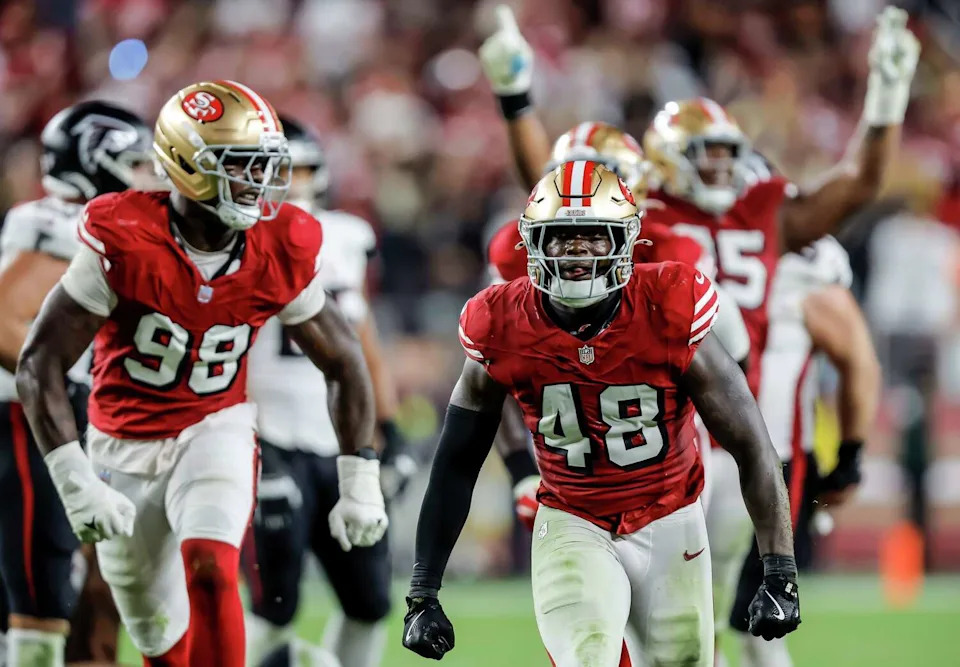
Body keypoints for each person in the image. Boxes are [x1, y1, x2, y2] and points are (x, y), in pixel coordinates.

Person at [478, 2, 918, 649]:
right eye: (700, 154)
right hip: (662, 441)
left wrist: (884, 100)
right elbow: (558, 193)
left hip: (727, 432)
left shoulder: (760, 212)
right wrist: (516, 100)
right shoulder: (642, 212)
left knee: (724, 627)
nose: (716, 168)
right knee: (665, 625)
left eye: (724, 154)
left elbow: (854, 188)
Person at [14, 80, 388, 667]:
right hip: (122, 443)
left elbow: (343, 359)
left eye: (263, 166)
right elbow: (40, 362)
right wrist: (75, 481)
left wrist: (359, 478)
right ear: (186, 165)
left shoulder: (279, 243)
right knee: (159, 636)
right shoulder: (126, 238)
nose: (257, 183)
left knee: (213, 568)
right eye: (240, 166)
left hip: (216, 427)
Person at [401, 162, 800, 667]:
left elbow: (751, 443)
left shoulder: (667, 304)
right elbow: (457, 461)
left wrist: (779, 571)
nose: (577, 251)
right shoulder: (500, 322)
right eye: (561, 236)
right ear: (532, 244)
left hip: (671, 514)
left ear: (626, 239)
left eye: (593, 235)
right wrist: (423, 591)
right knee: (588, 656)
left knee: (684, 660)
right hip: (572, 516)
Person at [484, 121, 750, 529]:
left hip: (663, 446)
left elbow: (732, 340)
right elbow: (490, 365)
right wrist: (522, 468)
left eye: (603, 181)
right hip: (568, 445)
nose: (583, 203)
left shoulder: (673, 252)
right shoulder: (517, 251)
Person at [244, 115, 414, 667]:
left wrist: (387, 429)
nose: (294, 183)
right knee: (274, 604)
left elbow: (362, 341)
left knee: (368, 601)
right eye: (283, 171)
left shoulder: (346, 236)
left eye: (305, 169)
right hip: (267, 434)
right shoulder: (241, 232)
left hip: (340, 438)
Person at [0, 100, 154, 666]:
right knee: (43, 590)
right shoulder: (61, 221)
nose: (146, 177)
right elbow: (2, 319)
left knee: (97, 585)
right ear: (97, 162)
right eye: (135, 163)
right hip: (31, 418)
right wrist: (71, 381)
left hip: (63, 421)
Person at [729, 234, 880, 667]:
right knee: (690, 616)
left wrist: (849, 457)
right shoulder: (666, 229)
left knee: (759, 621)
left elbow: (857, 357)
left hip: (775, 462)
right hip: (689, 458)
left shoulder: (804, 260)